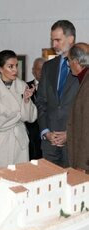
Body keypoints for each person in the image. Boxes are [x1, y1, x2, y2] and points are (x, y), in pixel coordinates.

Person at [0, 50, 37, 169]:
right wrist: (19, 115)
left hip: (19, 141)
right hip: (0, 141)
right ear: (0, 69)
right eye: (10, 66)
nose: (15, 70)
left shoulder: (22, 85)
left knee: (20, 177)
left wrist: (26, 101)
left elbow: (30, 117)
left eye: (16, 66)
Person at [36, 20, 79, 167]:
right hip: (50, 142)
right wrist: (46, 131)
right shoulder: (48, 66)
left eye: (58, 40)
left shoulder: (84, 67)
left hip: (74, 142)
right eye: (52, 40)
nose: (54, 45)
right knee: (48, 185)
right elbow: (41, 101)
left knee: (73, 185)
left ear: (71, 39)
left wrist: (70, 133)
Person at [67, 43, 89, 172]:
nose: (68, 64)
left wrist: (82, 165)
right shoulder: (84, 80)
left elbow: (87, 127)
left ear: (75, 62)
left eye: (69, 61)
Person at [25, 57, 45, 160]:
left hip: (46, 132)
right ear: (33, 71)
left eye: (44, 69)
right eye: (38, 69)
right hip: (30, 132)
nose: (41, 72)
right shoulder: (25, 87)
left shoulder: (52, 87)